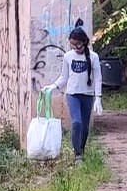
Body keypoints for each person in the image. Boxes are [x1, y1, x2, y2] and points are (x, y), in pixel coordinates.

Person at [44, 26, 103, 162]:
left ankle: (81, 149)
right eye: (72, 44)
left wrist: (98, 97)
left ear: (84, 42)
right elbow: (64, 77)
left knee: (85, 126)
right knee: (76, 122)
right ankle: (77, 154)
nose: (75, 47)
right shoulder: (68, 56)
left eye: (78, 44)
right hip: (72, 95)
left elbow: (98, 78)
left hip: (87, 95)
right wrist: (53, 86)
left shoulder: (93, 57)